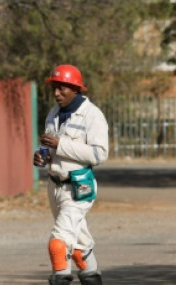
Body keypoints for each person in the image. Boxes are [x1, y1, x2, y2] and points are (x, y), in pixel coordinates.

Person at [32, 64, 108, 285]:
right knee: (79, 247)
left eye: (62, 88)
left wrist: (61, 144)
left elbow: (99, 154)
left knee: (59, 243)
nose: (56, 93)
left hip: (79, 185)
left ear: (76, 88)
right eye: (54, 88)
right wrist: (43, 156)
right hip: (54, 186)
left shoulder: (92, 115)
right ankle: (91, 275)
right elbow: (49, 146)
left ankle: (60, 277)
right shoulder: (53, 113)